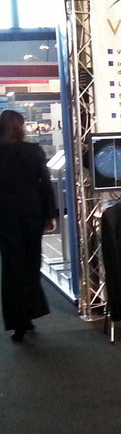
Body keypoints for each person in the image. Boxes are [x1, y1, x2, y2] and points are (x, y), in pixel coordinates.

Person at [0, 110, 58, 342]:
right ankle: (30, 313)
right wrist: (50, 214)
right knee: (32, 265)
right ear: (20, 127)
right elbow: (45, 185)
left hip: (5, 217)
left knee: (11, 269)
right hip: (32, 215)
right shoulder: (34, 151)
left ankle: (18, 322)